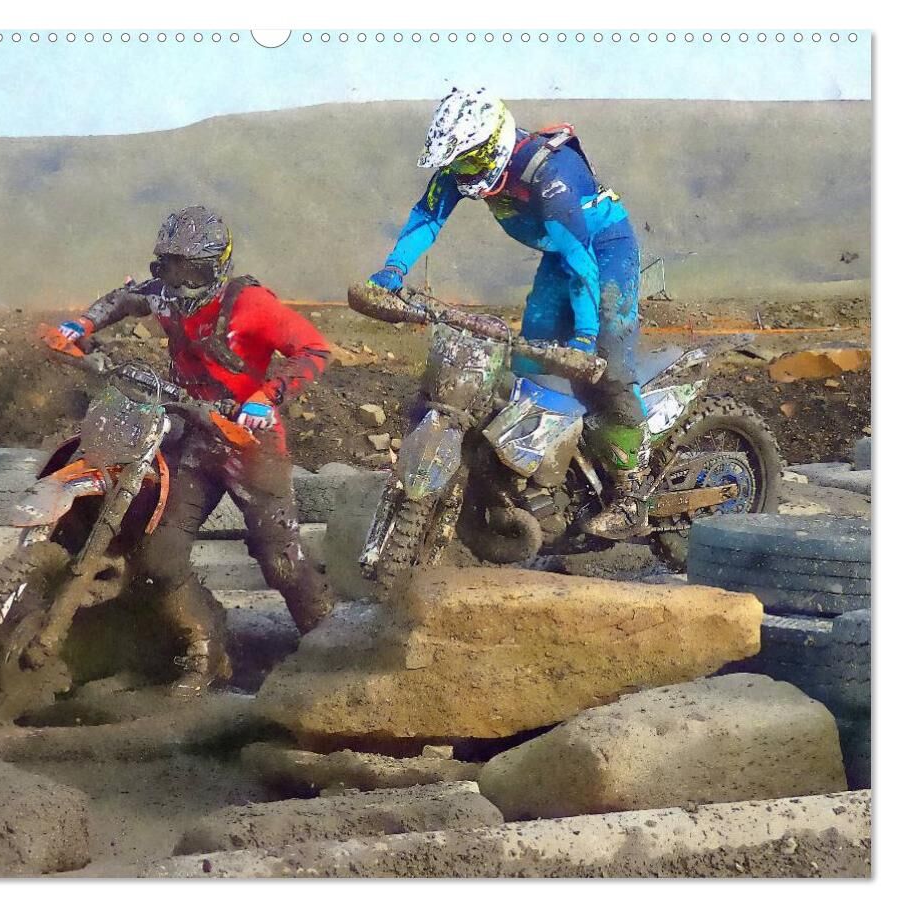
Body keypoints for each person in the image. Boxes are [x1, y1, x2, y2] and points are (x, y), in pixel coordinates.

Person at [59, 205, 335, 694]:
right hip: (191, 436)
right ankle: (205, 648)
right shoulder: (162, 294)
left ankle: (331, 648)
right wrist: (80, 325)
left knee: (280, 559)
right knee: (159, 556)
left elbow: (315, 349)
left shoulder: (249, 303)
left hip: (250, 442)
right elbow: (124, 298)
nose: (182, 282)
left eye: (194, 270)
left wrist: (267, 396)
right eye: (172, 268)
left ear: (217, 266)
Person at [368, 88, 647, 540]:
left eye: (470, 161)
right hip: (559, 252)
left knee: (606, 361)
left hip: (602, 248)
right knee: (529, 361)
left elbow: (579, 260)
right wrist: (393, 270)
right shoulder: (462, 168)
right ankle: (537, 468)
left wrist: (584, 335)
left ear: (493, 144)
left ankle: (631, 492)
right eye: (457, 163)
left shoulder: (548, 173)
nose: (463, 173)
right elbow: (428, 215)